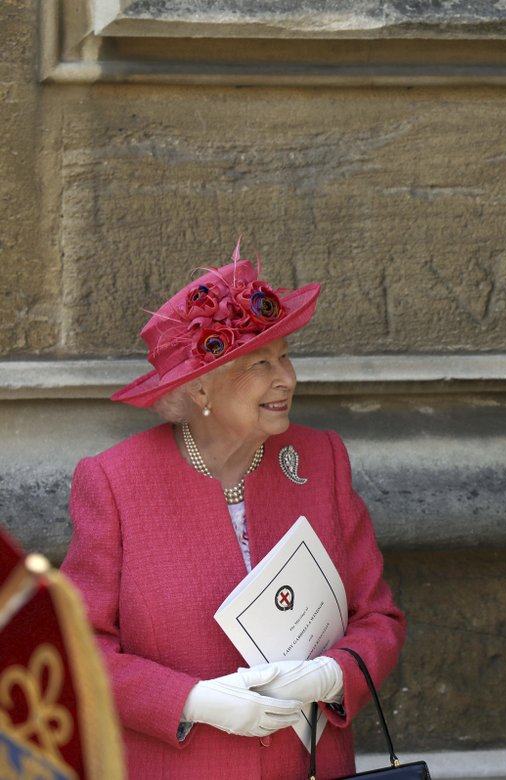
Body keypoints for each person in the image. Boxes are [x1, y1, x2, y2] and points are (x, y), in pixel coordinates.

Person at [62, 243, 406, 779]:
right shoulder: (115, 482)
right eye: (259, 364)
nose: (286, 378)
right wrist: (193, 700)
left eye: (286, 355)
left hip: (310, 768)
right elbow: (77, 651)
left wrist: (330, 676)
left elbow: (378, 619)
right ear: (199, 387)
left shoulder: (321, 460)